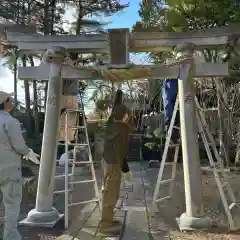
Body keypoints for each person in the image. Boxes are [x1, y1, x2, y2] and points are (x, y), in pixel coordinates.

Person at [98, 90, 134, 237]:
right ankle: (105, 224)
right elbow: (122, 150)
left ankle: (108, 219)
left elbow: (115, 109)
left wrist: (118, 96)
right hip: (114, 162)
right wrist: (125, 169)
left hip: (107, 161)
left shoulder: (111, 123)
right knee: (111, 193)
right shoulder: (122, 128)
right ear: (124, 115)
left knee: (108, 190)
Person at [0, 91, 30, 240]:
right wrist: (28, 152)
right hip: (8, 170)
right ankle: (10, 236)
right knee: (11, 204)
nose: (12, 102)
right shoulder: (10, 122)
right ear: (4, 103)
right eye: (10, 100)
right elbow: (19, 146)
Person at [162, 78, 180, 143]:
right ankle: (173, 135)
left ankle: (174, 134)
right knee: (170, 109)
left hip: (174, 82)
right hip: (172, 83)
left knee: (171, 109)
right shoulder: (168, 84)